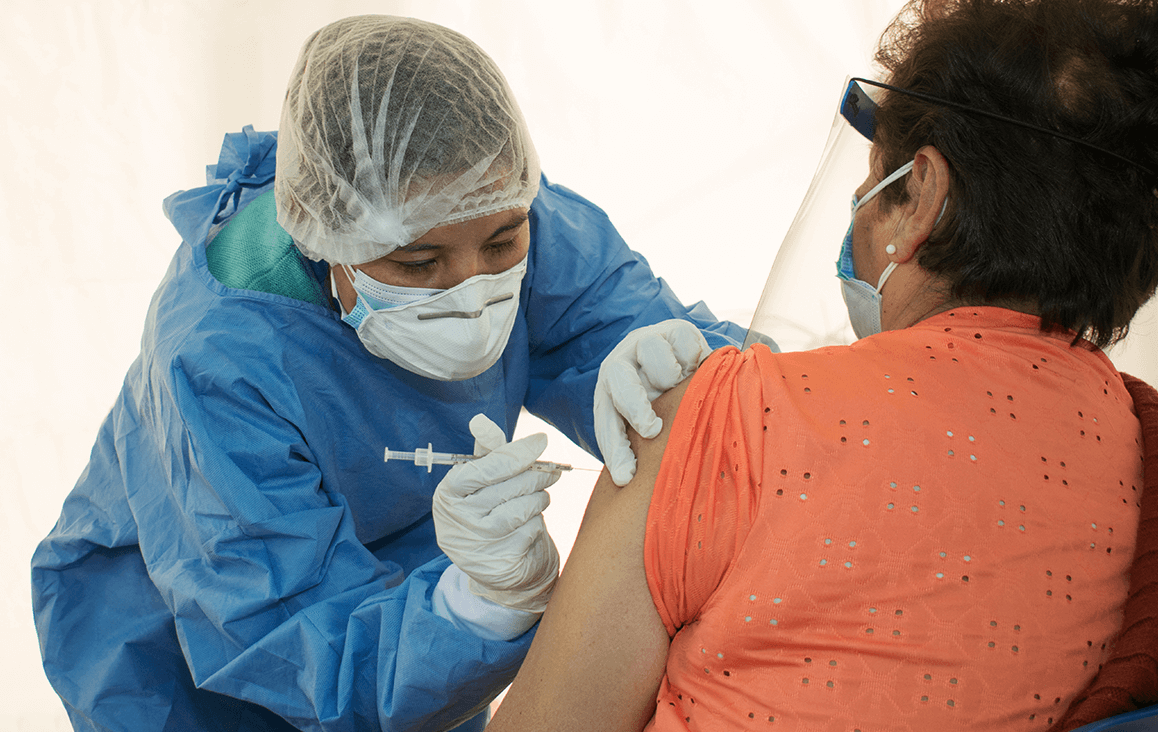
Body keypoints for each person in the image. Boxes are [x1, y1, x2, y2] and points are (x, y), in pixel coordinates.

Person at [29, 15, 745, 732]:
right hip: (198, 646)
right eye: (417, 265)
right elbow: (291, 638)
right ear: (323, 235)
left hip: (404, 597)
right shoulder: (223, 358)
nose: (472, 289)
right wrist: (478, 602)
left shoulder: (491, 209)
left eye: (501, 246)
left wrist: (697, 371)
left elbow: (699, 374)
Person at [486, 0, 1158, 729]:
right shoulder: (1131, 447)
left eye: (870, 188)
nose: (856, 218)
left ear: (919, 198)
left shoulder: (725, 414)